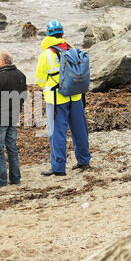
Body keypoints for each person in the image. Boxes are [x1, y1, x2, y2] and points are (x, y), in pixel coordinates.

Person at [35, 20, 91, 176]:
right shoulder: (72, 49)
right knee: (80, 130)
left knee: (57, 133)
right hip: (76, 95)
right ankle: (84, 161)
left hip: (56, 98)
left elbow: (39, 79)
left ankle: (59, 168)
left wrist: (48, 85)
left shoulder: (46, 54)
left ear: (48, 34)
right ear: (62, 34)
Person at [0, 51, 27, 187]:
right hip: (13, 116)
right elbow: (23, 96)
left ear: (3, 62)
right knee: (12, 148)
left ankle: (2, 181)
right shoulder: (21, 75)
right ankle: (15, 178)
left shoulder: (0, 77)